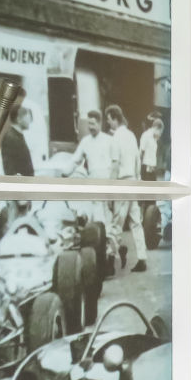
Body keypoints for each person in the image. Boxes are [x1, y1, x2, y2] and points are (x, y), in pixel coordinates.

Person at [69, 109, 118, 268]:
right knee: (94, 221)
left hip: (106, 185)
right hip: (92, 184)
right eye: (88, 124)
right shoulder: (85, 142)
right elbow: (75, 160)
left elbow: (116, 164)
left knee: (107, 222)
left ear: (100, 123)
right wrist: (64, 173)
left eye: (93, 123)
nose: (90, 127)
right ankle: (97, 258)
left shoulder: (109, 141)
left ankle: (110, 257)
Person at [105, 105, 149, 273]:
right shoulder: (131, 135)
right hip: (132, 181)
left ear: (115, 118)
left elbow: (115, 165)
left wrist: (109, 190)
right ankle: (142, 259)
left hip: (122, 182)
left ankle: (110, 260)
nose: (108, 123)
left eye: (109, 119)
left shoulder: (116, 138)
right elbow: (138, 160)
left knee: (117, 222)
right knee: (136, 222)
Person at [1, 105, 34, 177]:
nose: (30, 121)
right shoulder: (10, 137)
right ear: (19, 119)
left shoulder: (18, 135)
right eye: (27, 117)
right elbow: (9, 169)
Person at [139, 116, 163, 181]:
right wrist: (139, 169)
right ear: (156, 128)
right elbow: (142, 152)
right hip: (145, 167)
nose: (160, 134)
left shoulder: (154, 139)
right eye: (160, 132)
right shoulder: (146, 135)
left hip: (152, 168)